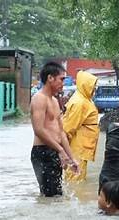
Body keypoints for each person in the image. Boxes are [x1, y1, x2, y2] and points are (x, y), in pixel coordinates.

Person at [30, 61, 79, 197]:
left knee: (57, 195)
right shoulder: (39, 99)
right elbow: (38, 130)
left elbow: (61, 132)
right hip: (43, 153)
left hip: (54, 150)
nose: (63, 83)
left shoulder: (55, 101)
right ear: (50, 78)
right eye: (61, 79)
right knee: (50, 196)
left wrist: (71, 157)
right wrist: (60, 150)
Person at [62, 70, 99, 182]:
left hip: (81, 148)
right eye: (92, 86)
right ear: (85, 85)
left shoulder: (84, 99)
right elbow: (68, 129)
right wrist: (64, 152)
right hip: (77, 150)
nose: (94, 89)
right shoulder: (80, 103)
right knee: (75, 181)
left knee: (77, 179)